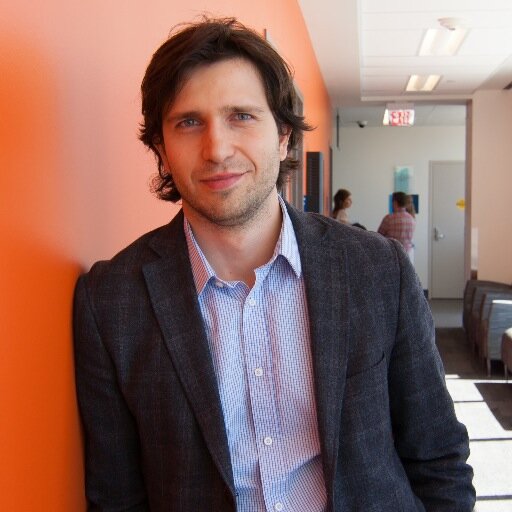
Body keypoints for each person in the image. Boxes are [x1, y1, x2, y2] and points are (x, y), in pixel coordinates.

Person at [73, 17, 475, 512]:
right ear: (161, 148)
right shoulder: (111, 301)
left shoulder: (377, 270)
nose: (217, 149)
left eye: (241, 116)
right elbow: (116, 497)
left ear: (283, 135)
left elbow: (438, 456)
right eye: (189, 122)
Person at [377, 191, 416, 260]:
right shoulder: (411, 219)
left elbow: (378, 237)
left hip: (392, 256)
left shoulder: (389, 218)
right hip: (407, 256)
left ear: (395, 202)